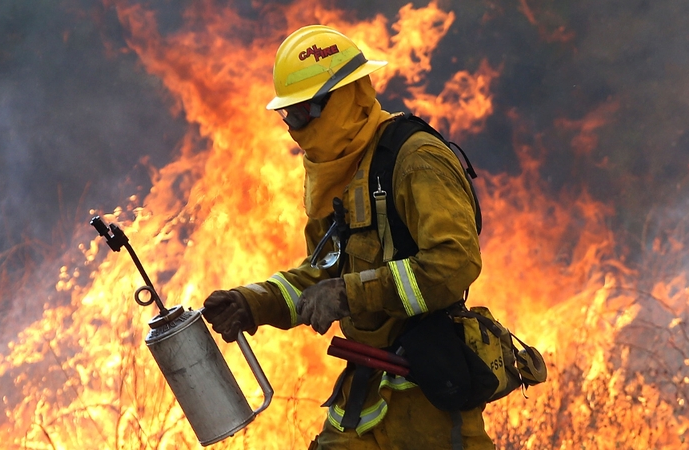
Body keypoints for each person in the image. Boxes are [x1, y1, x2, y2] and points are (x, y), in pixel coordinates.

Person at [202, 25, 493, 449]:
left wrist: (352, 294)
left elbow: (456, 263)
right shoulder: (339, 173)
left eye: (306, 112)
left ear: (347, 98)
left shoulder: (416, 160)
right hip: (364, 395)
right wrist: (253, 302)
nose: (294, 127)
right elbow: (323, 274)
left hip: (429, 397)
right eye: (290, 115)